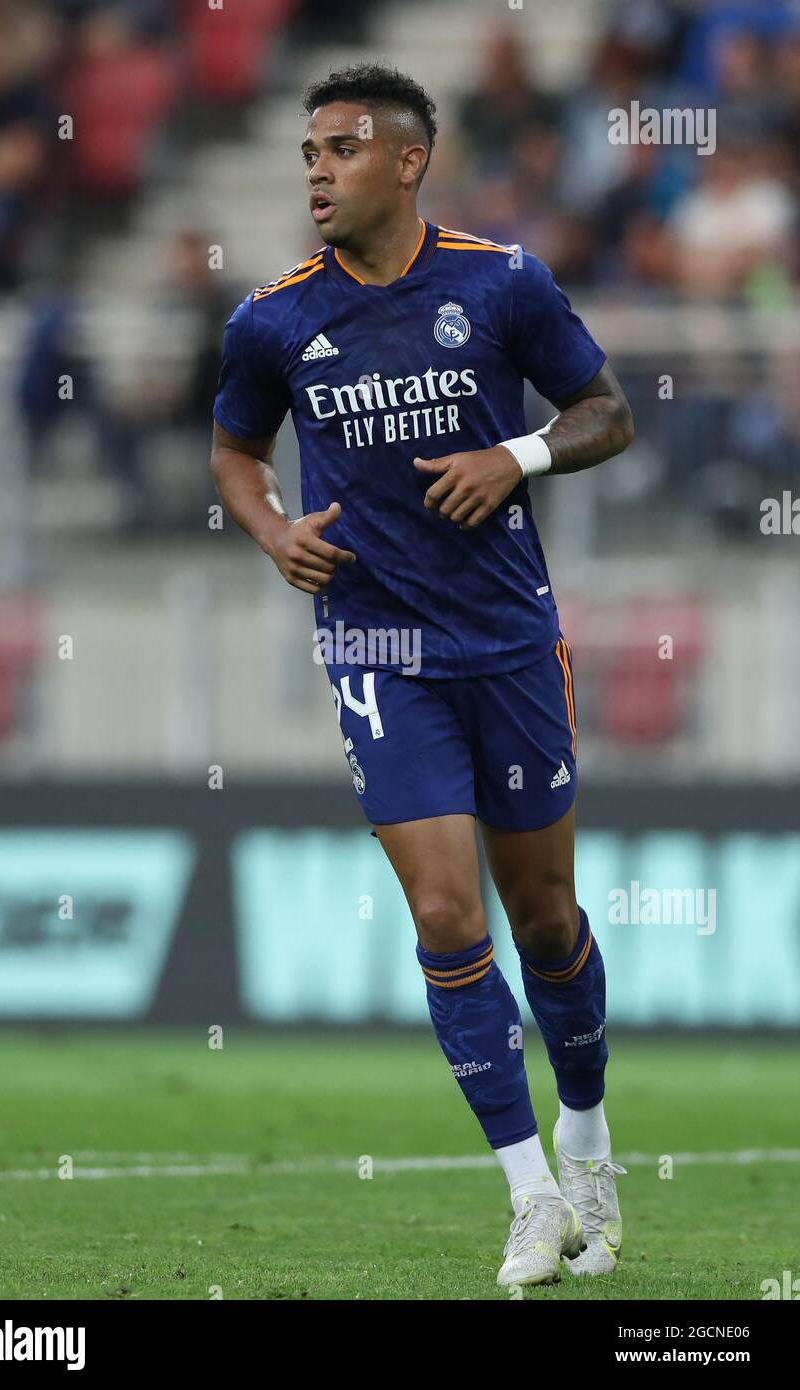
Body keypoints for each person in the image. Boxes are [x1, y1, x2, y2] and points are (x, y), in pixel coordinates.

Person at [210, 62, 634, 1288]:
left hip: (507, 640)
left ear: (407, 161)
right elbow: (235, 451)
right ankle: (528, 1194)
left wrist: (514, 456)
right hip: (375, 649)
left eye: (339, 150)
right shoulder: (272, 317)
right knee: (447, 917)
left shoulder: (501, 282)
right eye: (304, 153)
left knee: (545, 921)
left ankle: (590, 1140)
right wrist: (272, 529)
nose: (315, 172)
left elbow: (604, 412)